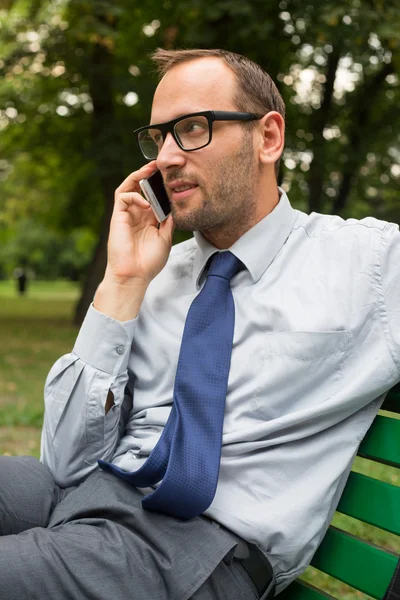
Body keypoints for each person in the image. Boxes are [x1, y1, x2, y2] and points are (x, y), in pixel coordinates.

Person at [0, 47, 399, 600]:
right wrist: (123, 280)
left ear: (268, 138)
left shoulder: (371, 265)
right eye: (159, 136)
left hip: (203, 546)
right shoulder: (153, 275)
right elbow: (64, 464)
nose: (165, 156)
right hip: (92, 492)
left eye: (191, 128)